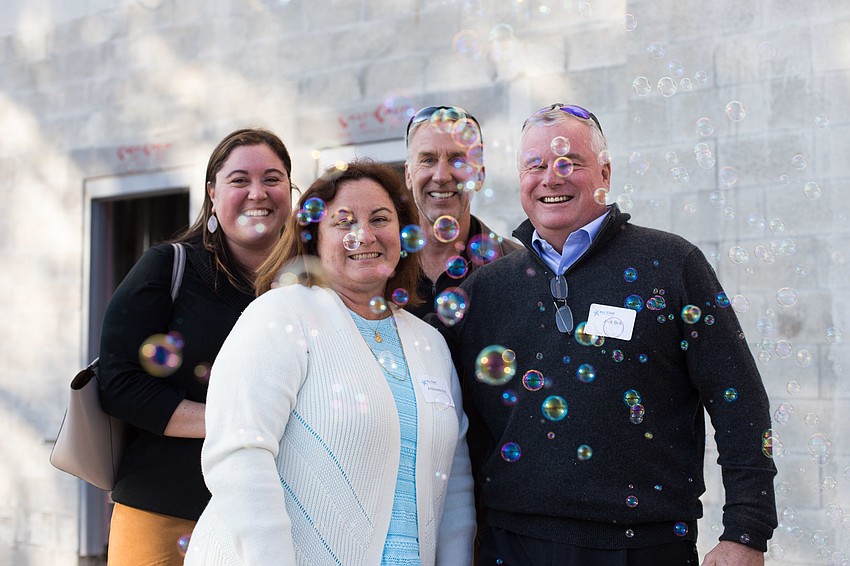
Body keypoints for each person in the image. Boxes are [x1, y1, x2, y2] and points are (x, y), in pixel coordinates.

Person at [439, 104, 778, 566]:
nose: (550, 178)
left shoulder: (670, 264)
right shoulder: (486, 289)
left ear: (605, 172)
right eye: (534, 166)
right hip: (513, 544)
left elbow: (738, 399)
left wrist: (746, 530)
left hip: (646, 546)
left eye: (569, 163)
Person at [184, 160, 476, 565]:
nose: (364, 234)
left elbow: (455, 484)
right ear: (314, 238)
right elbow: (239, 454)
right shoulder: (282, 315)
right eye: (343, 222)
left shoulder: (430, 343)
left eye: (380, 219)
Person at [98, 128, 295, 565]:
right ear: (212, 192)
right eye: (239, 180)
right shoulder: (168, 267)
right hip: (164, 511)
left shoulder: (310, 286)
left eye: (273, 178)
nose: (257, 193)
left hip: (267, 518)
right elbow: (119, 383)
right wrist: (234, 423)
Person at [403, 105, 520, 318]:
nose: (441, 176)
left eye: (457, 160)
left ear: (479, 176)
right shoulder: (380, 264)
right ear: (409, 175)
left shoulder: (517, 268)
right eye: (428, 160)